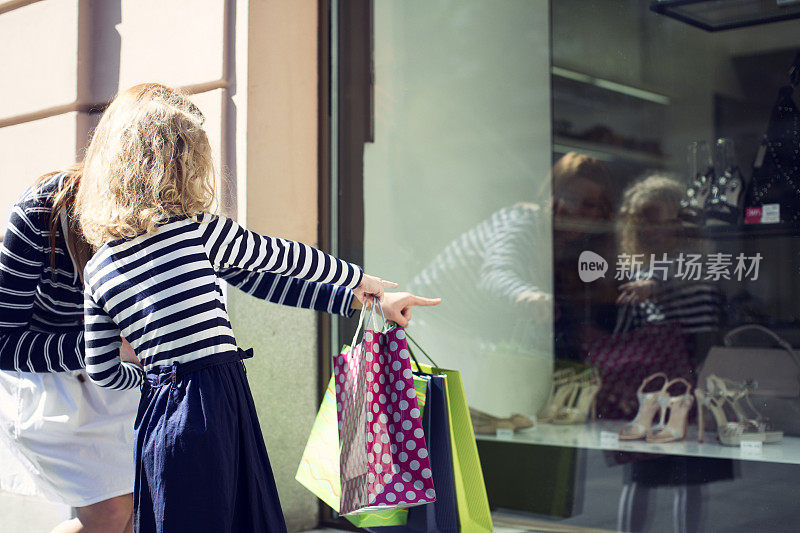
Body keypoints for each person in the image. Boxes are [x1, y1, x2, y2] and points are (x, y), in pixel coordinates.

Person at [0, 109, 438, 533]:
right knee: (115, 515)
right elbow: (6, 342)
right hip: (65, 387)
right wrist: (363, 280)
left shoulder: (176, 227)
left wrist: (361, 300)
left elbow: (263, 274)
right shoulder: (46, 210)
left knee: (151, 512)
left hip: (149, 384)